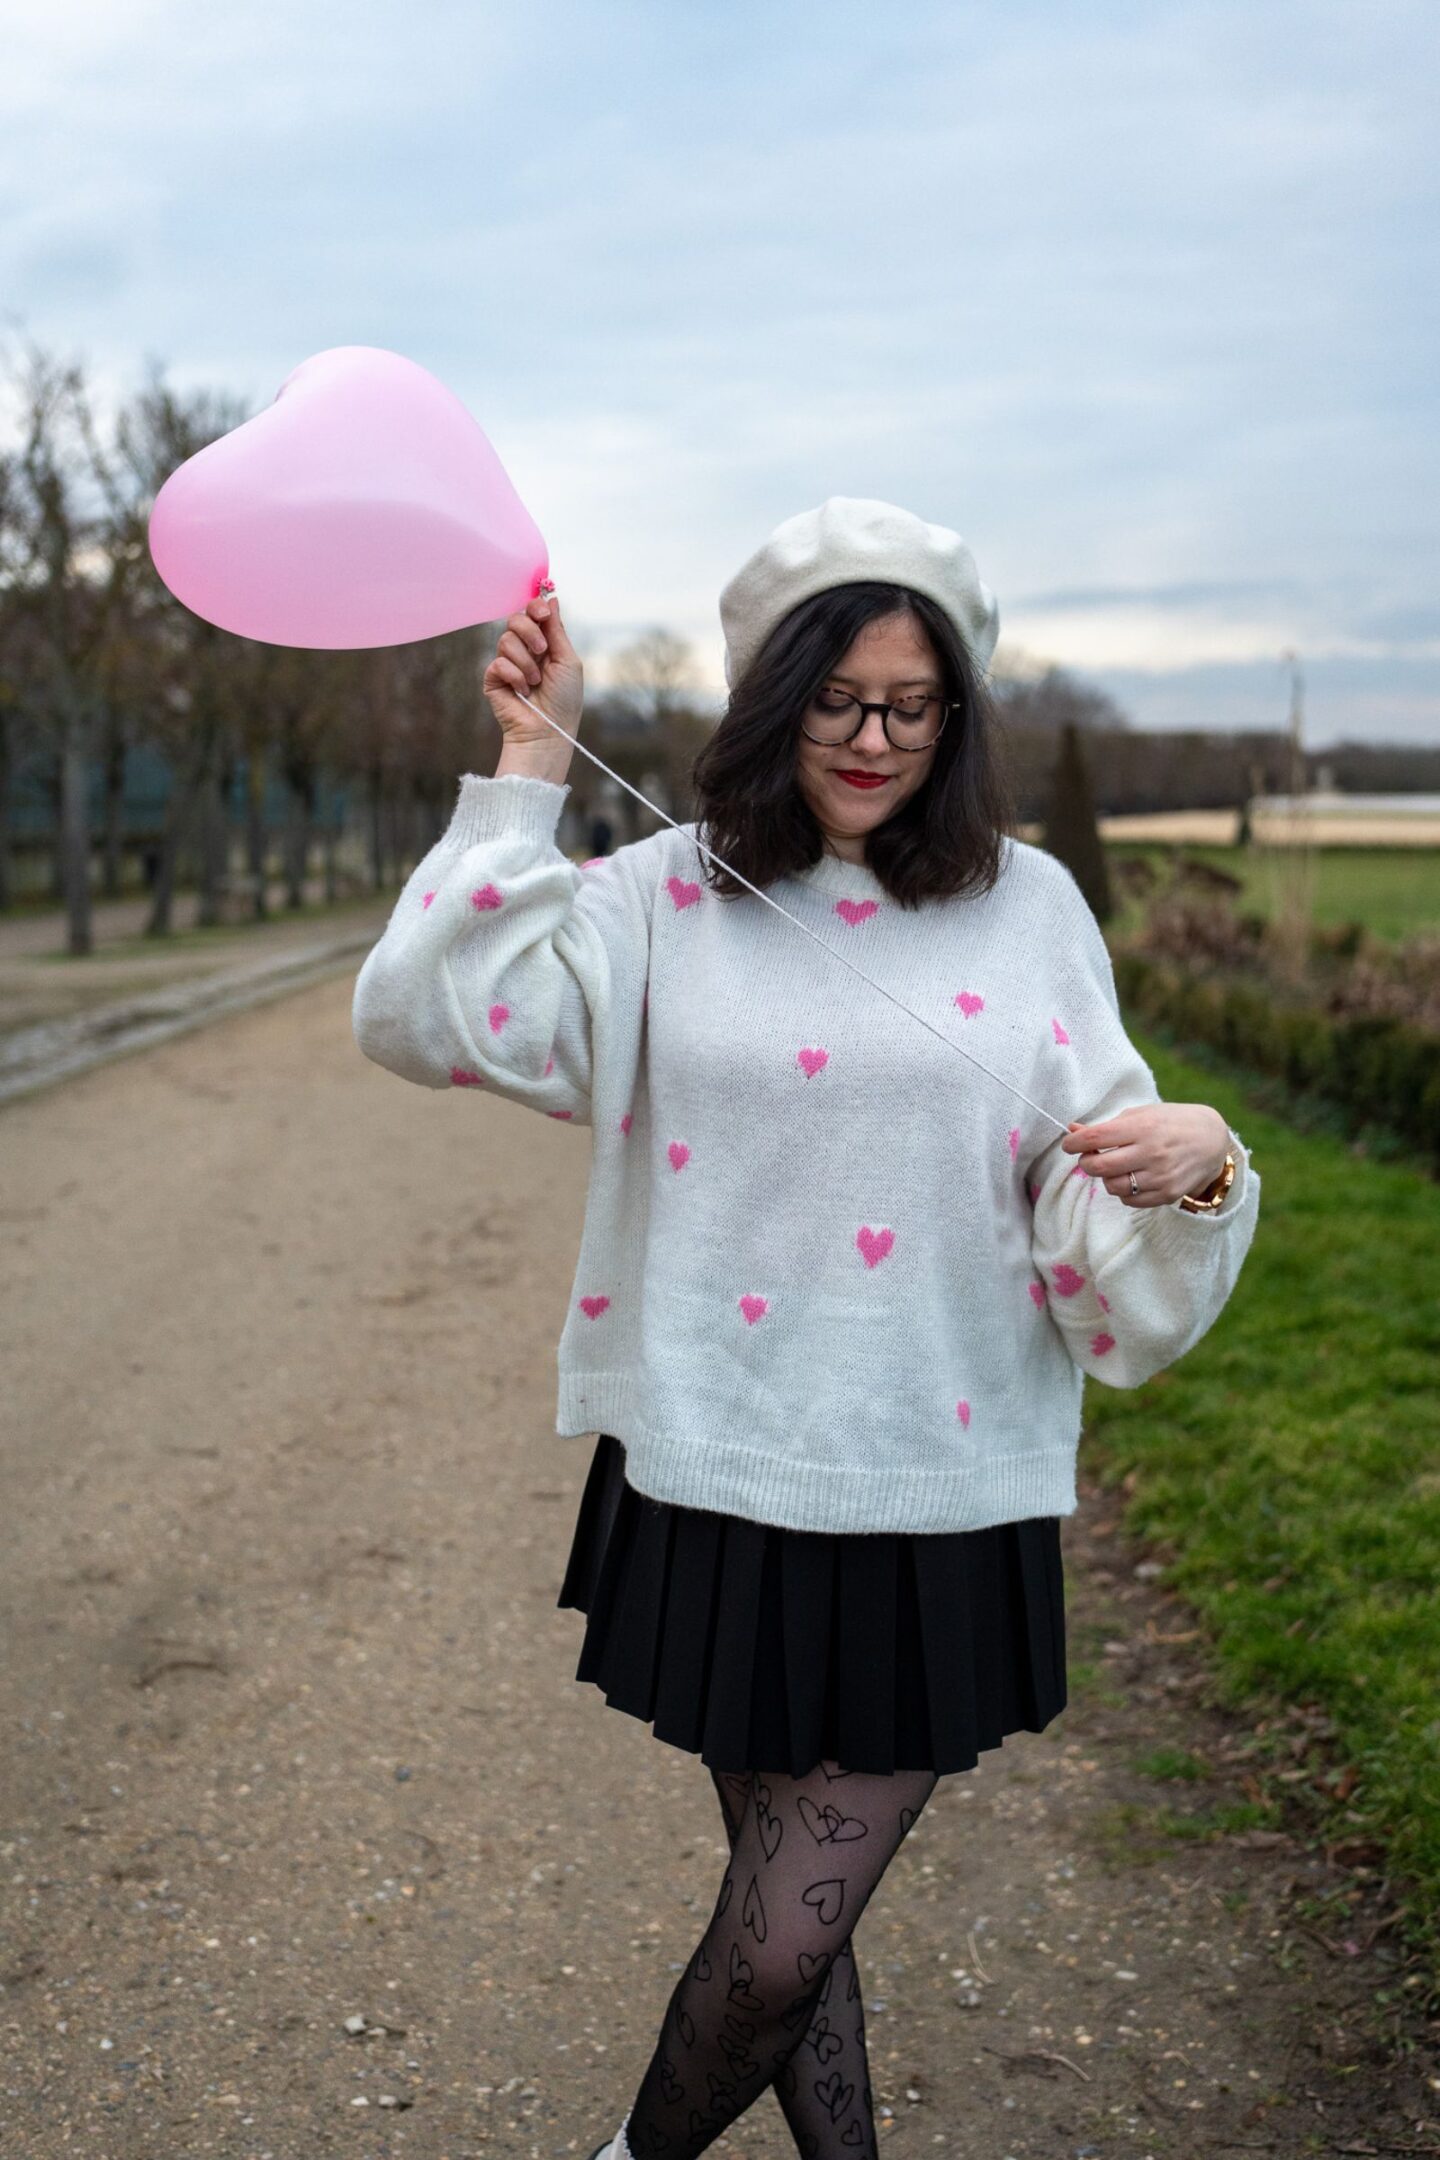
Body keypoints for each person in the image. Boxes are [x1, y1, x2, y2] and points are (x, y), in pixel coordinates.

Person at [351, 496, 1261, 2160]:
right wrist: (531, 771)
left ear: (958, 715)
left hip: (935, 1478)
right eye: (835, 700)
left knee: (782, 1934)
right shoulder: (658, 900)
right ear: (771, 702)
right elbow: (426, 1016)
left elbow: (1088, 1201)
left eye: (913, 705)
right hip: (719, 1475)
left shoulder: (1032, 907)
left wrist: (1199, 1167)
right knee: (799, 1936)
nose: (871, 739)